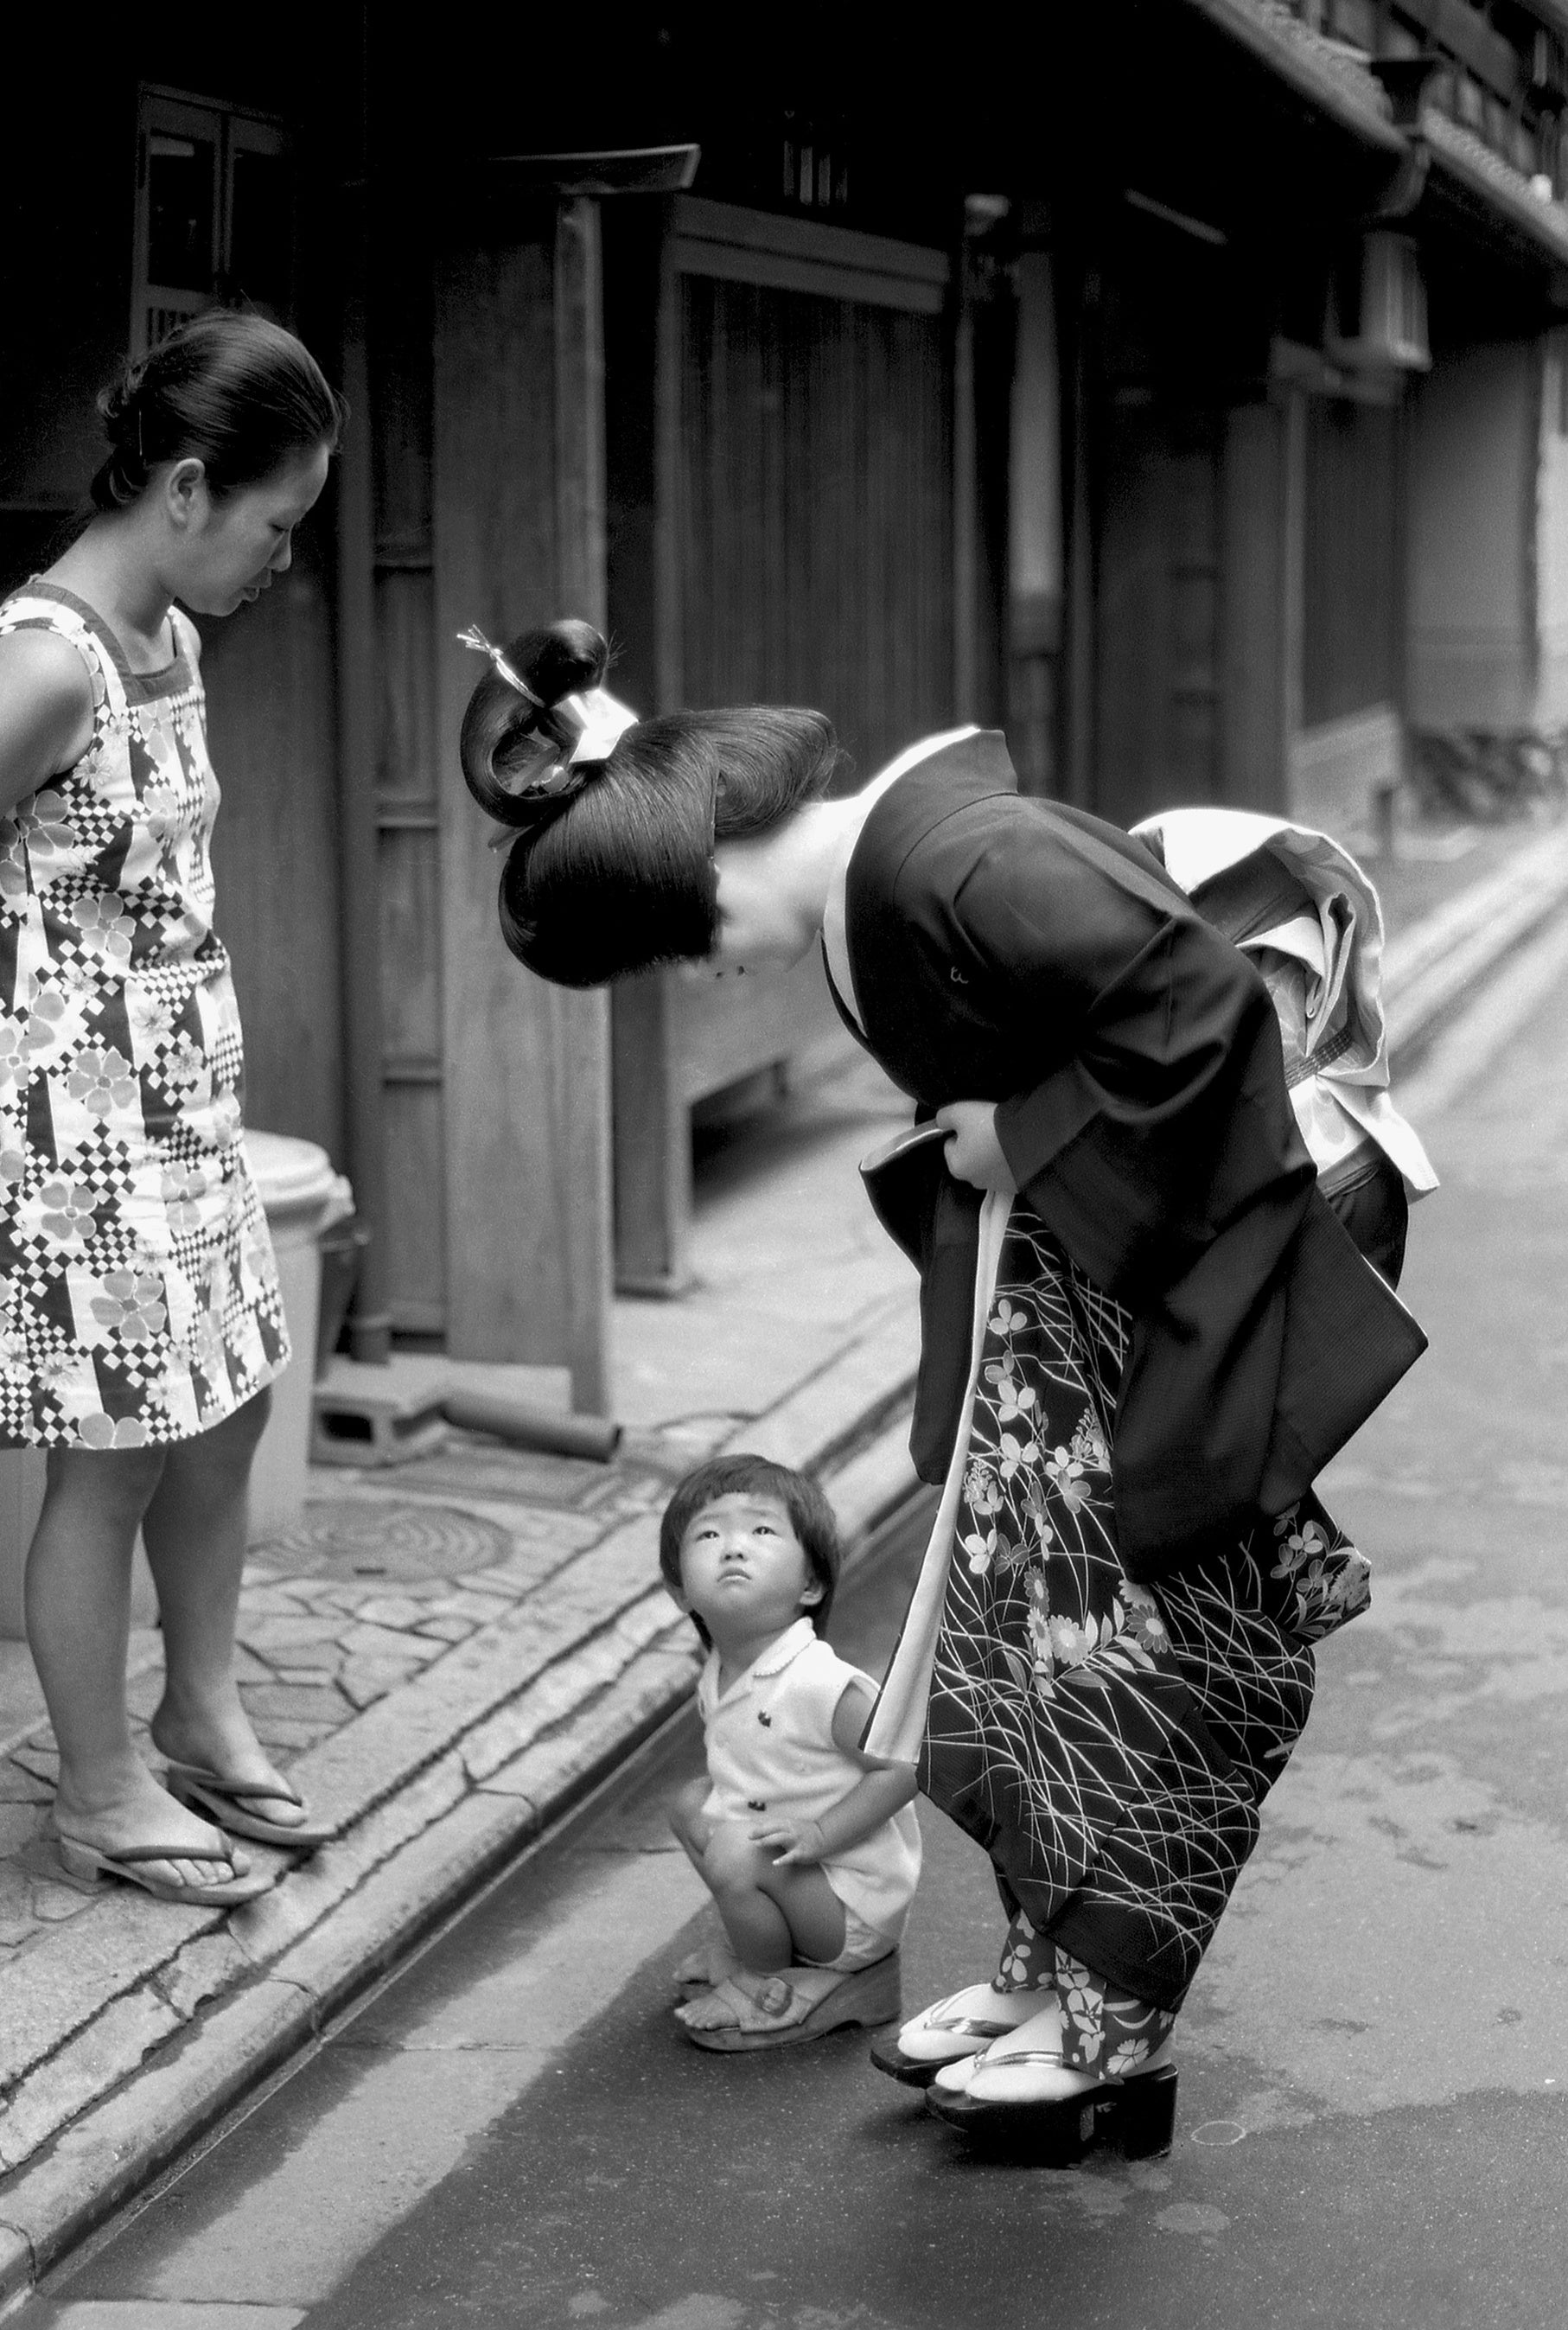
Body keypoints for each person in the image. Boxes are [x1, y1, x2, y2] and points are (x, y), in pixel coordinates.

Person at [457, 618, 1427, 2154]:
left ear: (706, 855)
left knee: (1130, 1674)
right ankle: (1045, 1970)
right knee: (1006, 1661)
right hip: (1058, 1326)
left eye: (671, 937)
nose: (697, 973)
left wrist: (1020, 1138)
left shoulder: (957, 865)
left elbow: (1206, 1024)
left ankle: (1118, 2027)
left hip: (1130, 1325)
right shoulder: (899, 878)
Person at [0, 312, 344, 1907]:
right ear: (187, 488)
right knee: (109, 1454)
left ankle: (196, 1707)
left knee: (233, 1397)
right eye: (275, 523)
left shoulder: (167, 639)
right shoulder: (46, 663)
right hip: (70, 1139)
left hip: (178, 1098)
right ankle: (101, 1790)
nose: (281, 558)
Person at [660, 1453, 920, 2052]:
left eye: (762, 1530)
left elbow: (905, 1766)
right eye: (708, 1534)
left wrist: (822, 1832)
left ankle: (771, 1979)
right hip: (797, 1875)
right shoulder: (722, 1671)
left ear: (811, 1584)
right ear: (681, 1594)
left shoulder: (819, 1683)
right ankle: (759, 1937)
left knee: (734, 1849)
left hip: (852, 1901)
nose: (732, 1547)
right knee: (689, 1804)